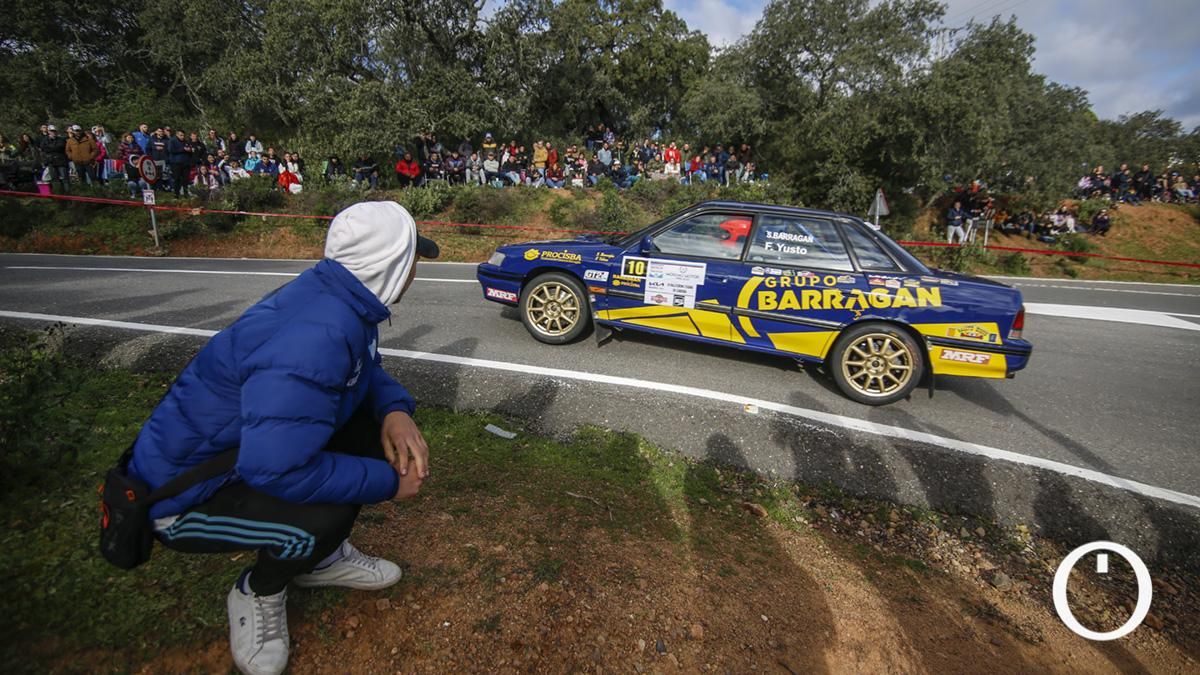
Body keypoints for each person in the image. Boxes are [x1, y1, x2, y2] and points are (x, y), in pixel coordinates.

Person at [124, 201, 438, 675]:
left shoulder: (336, 299)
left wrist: (393, 410)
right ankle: (260, 590)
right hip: (180, 498)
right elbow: (276, 469)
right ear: (390, 264)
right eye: (413, 257)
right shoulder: (315, 336)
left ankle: (321, 559)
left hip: (244, 456)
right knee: (323, 513)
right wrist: (388, 484)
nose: (417, 269)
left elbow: (361, 370)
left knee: (369, 441)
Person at [40, 125, 70, 192]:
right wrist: (53, 148)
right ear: (48, 131)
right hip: (51, 162)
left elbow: (60, 147)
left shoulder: (61, 139)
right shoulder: (44, 140)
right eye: (51, 131)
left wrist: (50, 148)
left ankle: (68, 193)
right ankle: (58, 193)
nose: (53, 132)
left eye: (54, 131)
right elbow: (43, 148)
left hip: (61, 161)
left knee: (65, 178)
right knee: (54, 179)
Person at [168, 130, 193, 197]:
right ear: (177, 134)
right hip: (176, 163)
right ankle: (176, 194)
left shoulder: (186, 141)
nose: (182, 137)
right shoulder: (172, 141)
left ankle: (186, 193)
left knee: (186, 179)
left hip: (186, 163)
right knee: (177, 179)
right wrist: (183, 149)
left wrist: (189, 150)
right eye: (181, 135)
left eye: (183, 135)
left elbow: (190, 149)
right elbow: (171, 150)